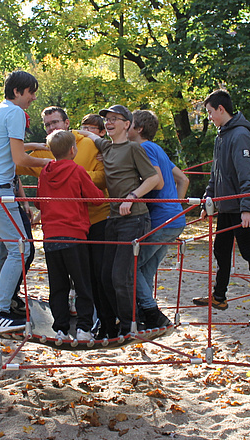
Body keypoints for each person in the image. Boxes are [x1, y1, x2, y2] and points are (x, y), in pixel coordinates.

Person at [0, 70, 50, 334]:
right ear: (17, 92)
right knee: (20, 247)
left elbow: (5, 148)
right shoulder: (15, 112)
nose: (33, 97)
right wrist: (49, 163)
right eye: (30, 92)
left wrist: (35, 144)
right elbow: (18, 159)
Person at [193, 89, 250, 327]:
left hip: (241, 207)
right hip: (226, 207)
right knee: (221, 250)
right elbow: (216, 173)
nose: (209, 117)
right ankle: (219, 297)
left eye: (210, 112)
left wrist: (248, 208)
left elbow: (248, 174)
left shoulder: (240, 135)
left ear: (221, 109)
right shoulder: (221, 135)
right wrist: (208, 199)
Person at [18, 106, 109, 326]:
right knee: (77, 281)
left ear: (67, 122)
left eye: (55, 123)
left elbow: (106, 176)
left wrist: (73, 177)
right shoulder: (44, 153)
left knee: (91, 277)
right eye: (47, 124)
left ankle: (92, 321)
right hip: (73, 228)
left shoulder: (89, 143)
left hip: (89, 222)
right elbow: (14, 163)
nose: (51, 127)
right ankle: (81, 325)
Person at [78, 105, 162, 337]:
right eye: (107, 119)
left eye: (115, 119)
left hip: (134, 218)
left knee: (120, 276)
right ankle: (122, 322)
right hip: (114, 218)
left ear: (127, 124)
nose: (110, 122)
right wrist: (77, 133)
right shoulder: (106, 146)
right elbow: (90, 135)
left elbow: (154, 178)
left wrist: (133, 197)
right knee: (106, 276)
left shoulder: (134, 148)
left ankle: (131, 325)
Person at [35, 130, 104, 342]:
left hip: (51, 237)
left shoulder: (45, 172)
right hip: (74, 235)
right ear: (73, 150)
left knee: (58, 286)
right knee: (82, 283)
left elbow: (39, 201)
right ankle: (83, 328)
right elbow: (96, 199)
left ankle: (61, 329)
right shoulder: (77, 170)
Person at [127, 109, 189, 329]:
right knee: (145, 269)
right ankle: (145, 311)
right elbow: (183, 179)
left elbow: (158, 180)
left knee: (130, 266)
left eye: (129, 123)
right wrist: (175, 207)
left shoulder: (143, 147)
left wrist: (134, 194)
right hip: (174, 220)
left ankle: (153, 313)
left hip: (161, 219)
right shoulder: (158, 149)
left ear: (139, 128)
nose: (126, 126)